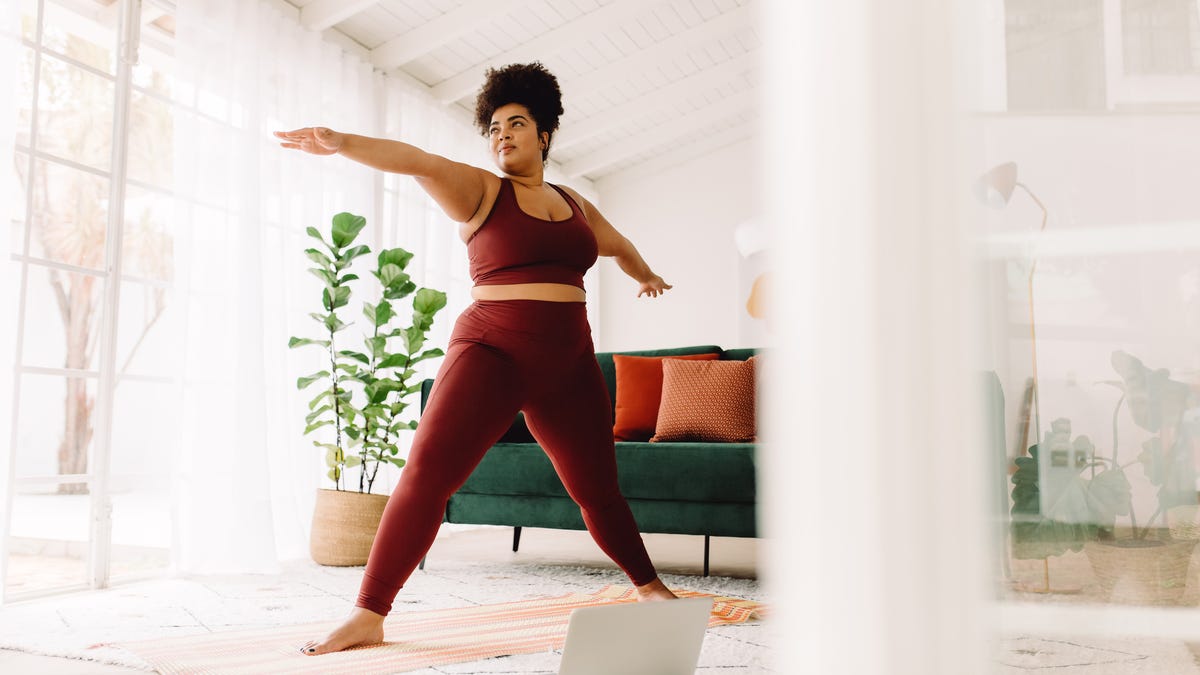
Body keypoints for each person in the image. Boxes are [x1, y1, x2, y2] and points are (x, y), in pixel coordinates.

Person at [275, 62, 678, 656]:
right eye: (493, 127)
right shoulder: (481, 191)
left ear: (545, 134)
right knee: (428, 475)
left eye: (516, 123)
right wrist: (343, 144)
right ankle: (369, 612)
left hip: (569, 362)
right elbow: (416, 160)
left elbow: (617, 246)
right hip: (492, 351)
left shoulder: (576, 205)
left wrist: (647, 276)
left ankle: (650, 589)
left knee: (598, 490)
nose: (502, 135)